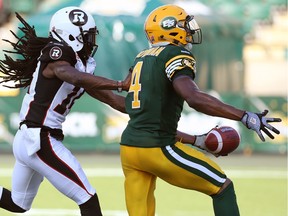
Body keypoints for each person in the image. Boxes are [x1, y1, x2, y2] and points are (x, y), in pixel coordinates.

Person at [120, 4, 282, 216]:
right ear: (169, 28)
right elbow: (194, 98)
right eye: (184, 26)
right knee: (222, 187)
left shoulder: (142, 56)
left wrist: (195, 140)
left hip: (129, 148)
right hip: (157, 148)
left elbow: (144, 111)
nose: (189, 31)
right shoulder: (175, 54)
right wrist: (243, 116)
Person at [0, 6, 130, 216]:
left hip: (29, 138)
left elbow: (112, 100)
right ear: (70, 34)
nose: (91, 41)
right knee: (87, 198)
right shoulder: (58, 52)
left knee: (18, 204)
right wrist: (119, 83)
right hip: (39, 138)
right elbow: (71, 75)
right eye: (87, 36)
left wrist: (142, 108)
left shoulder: (81, 63)